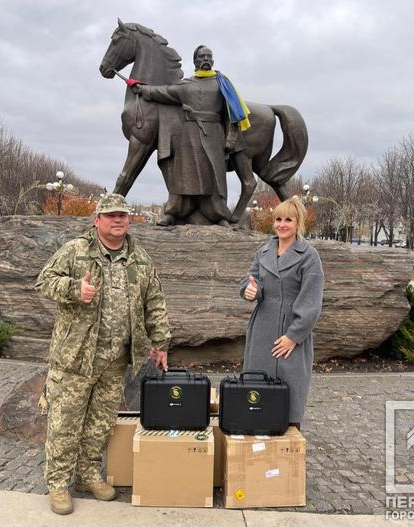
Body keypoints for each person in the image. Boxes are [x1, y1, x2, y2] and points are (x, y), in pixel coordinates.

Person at [35, 193, 171, 515]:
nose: (117, 220)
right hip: (77, 356)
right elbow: (44, 282)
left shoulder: (140, 259)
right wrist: (74, 289)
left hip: (116, 360)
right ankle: (58, 483)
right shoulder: (76, 250)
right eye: (110, 215)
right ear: (97, 220)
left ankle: (87, 475)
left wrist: (161, 341)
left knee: (100, 422)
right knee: (65, 422)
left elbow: (154, 301)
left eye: (122, 215)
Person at [134, 45, 251, 226]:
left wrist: (231, 138)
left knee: (215, 177)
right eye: (202, 56)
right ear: (195, 61)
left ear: (213, 60)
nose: (206, 59)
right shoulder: (186, 85)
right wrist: (143, 89)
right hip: (189, 135)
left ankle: (219, 215)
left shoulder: (222, 84)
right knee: (182, 175)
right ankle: (174, 213)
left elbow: (232, 114)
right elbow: (163, 91)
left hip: (214, 135)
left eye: (209, 56)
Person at [240, 197, 324, 429]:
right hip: (262, 331)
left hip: (292, 332)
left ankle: (289, 440)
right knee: (257, 389)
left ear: (298, 223)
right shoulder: (263, 251)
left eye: (288, 219)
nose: (282, 224)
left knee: (290, 392)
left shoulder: (309, 256)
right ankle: (256, 434)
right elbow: (250, 281)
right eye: (278, 219)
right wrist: (250, 291)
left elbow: (312, 302)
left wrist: (293, 337)